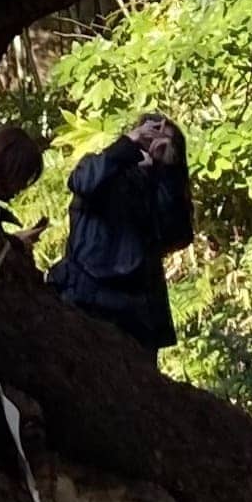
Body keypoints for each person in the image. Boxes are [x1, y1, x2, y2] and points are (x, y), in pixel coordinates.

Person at [49, 114, 193, 354]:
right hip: (86, 297)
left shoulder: (163, 188)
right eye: (150, 135)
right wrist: (129, 144)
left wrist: (165, 170)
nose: (153, 143)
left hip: (136, 313)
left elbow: (176, 233)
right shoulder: (102, 168)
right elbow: (82, 182)